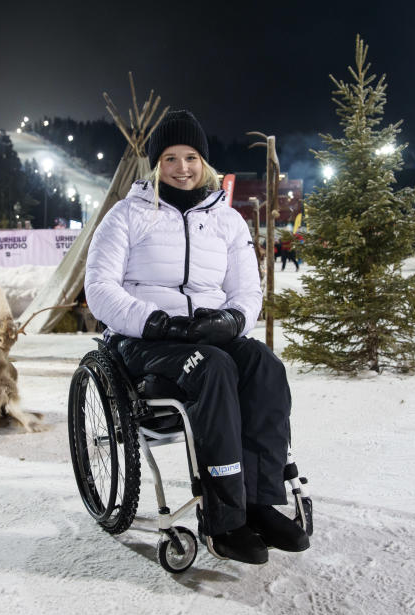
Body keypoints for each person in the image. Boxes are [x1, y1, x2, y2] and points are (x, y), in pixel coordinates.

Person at [85, 109, 307, 565]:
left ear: (204, 162)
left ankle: (260, 502)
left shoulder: (228, 222)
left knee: (264, 365)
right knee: (213, 368)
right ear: (156, 164)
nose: (182, 169)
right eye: (170, 158)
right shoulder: (125, 217)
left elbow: (247, 292)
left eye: (191, 157)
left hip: (208, 333)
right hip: (144, 340)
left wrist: (231, 322)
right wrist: (154, 322)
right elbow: (100, 291)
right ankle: (223, 519)